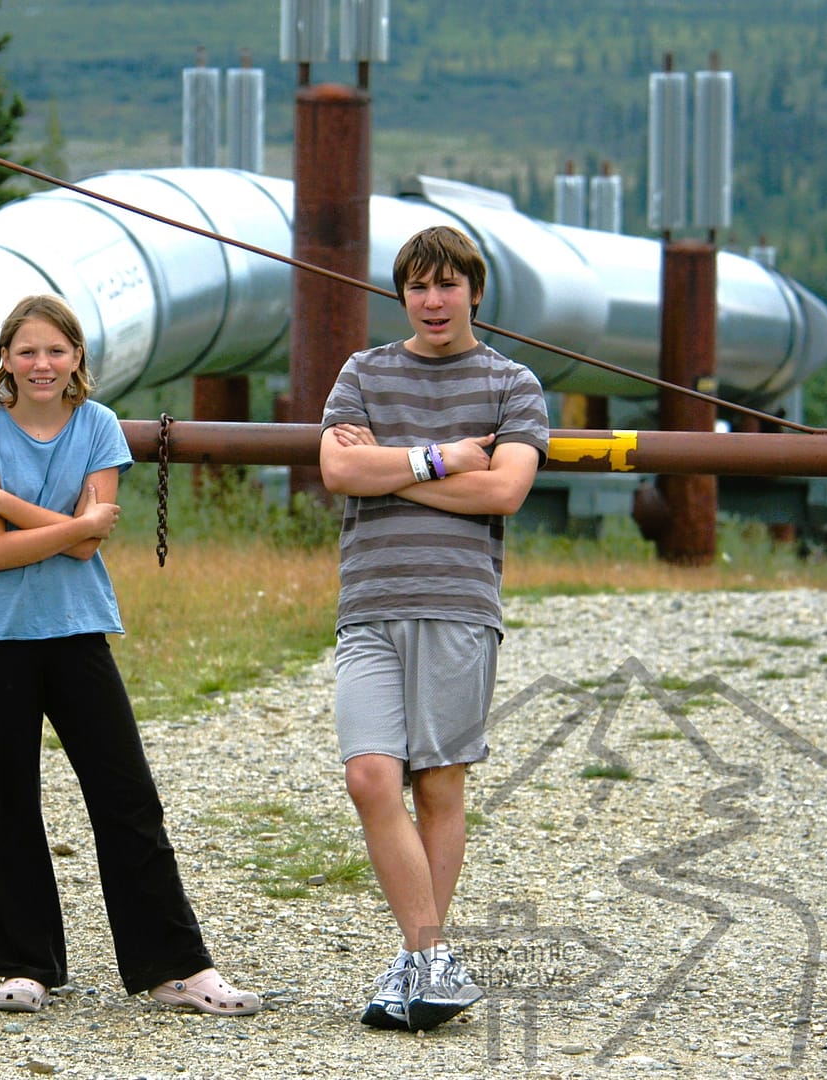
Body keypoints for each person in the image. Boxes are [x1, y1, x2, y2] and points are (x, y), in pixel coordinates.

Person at [0, 293, 261, 1017]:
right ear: (4, 360)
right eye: (26, 351)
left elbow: (92, 543)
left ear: (77, 357)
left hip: (77, 630)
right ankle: (26, 966)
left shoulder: (97, 425)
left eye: (55, 350)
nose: (41, 364)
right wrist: (72, 519)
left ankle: (175, 966)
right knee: (11, 804)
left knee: (126, 799)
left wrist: (12, 504)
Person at [318, 225, 549, 1032]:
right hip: (369, 603)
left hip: (457, 601)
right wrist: (443, 459)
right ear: (402, 295)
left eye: (448, 285)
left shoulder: (511, 382)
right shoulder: (363, 371)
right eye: (418, 286)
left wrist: (398, 469)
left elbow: (505, 492)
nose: (434, 300)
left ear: (474, 292)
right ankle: (431, 964)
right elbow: (339, 470)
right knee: (369, 776)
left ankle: (421, 959)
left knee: (436, 781)